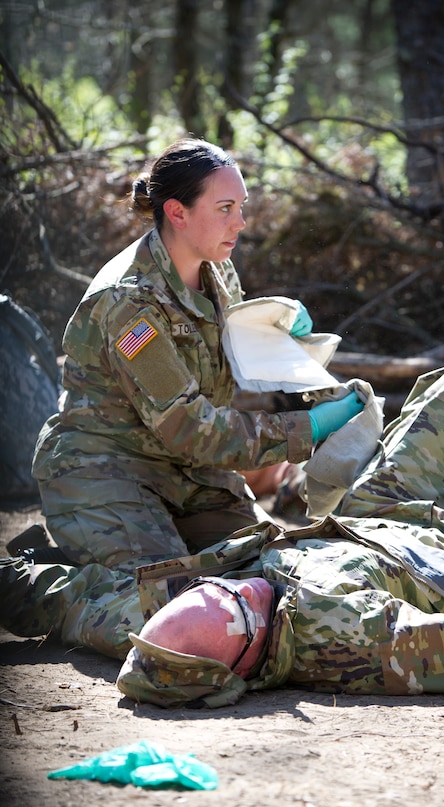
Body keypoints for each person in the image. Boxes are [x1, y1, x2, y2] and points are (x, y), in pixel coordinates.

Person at [2, 365, 444, 704]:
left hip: (373, 513)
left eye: (218, 591)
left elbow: (56, 597)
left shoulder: (166, 623)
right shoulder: (340, 636)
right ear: (242, 658)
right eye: (236, 609)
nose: (234, 588)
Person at [14, 138, 362, 573]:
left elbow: (232, 357)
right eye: (225, 208)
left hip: (192, 473)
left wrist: (275, 327)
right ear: (177, 212)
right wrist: (305, 430)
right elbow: (188, 427)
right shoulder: (130, 304)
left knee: (270, 574)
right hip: (106, 469)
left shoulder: (217, 269)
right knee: (167, 601)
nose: (241, 222)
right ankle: (24, 584)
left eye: (241, 206)